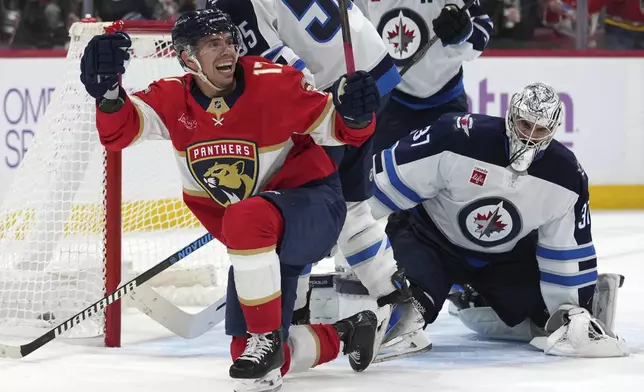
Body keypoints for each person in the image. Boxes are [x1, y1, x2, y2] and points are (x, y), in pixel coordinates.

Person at [80, 8, 386, 392]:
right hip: (256, 242)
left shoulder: (274, 84)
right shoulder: (173, 98)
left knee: (244, 219)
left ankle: (266, 339)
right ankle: (346, 334)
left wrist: (357, 115)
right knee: (251, 360)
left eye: (229, 41)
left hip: (312, 209)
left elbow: (343, 131)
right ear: (188, 58)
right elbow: (119, 133)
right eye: (212, 44)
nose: (226, 50)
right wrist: (109, 95)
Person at [205, 0, 429, 362]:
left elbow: (277, 72)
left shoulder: (229, 3)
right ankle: (401, 308)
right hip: (370, 78)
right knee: (351, 206)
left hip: (330, 97)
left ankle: (294, 307)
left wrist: (323, 107)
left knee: (293, 202)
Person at [366, 82, 629, 358]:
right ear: (511, 116)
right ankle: (449, 291)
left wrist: (573, 307)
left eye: (540, 130)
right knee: (403, 316)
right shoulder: (456, 137)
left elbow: (564, 250)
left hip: (501, 259)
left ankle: (474, 297)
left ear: (553, 131)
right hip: (428, 240)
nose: (530, 138)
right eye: (525, 124)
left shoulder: (567, 177)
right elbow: (383, 184)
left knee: (548, 322)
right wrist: (350, 236)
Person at [352, 0, 493, 153]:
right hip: (389, 101)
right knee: (377, 173)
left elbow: (482, 23)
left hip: (445, 99)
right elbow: (355, 32)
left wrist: (464, 32)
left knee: (452, 171)